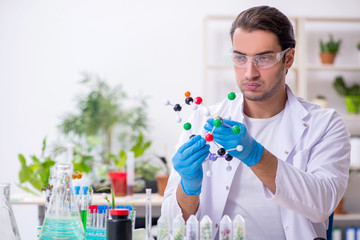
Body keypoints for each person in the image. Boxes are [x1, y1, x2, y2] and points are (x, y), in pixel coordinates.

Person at [161, 5, 350, 240]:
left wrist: (256, 155)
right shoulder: (204, 120)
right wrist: (188, 188)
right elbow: (170, 226)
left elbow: (322, 204)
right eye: (240, 58)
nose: (250, 72)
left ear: (288, 58)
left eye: (264, 58)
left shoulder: (324, 124)